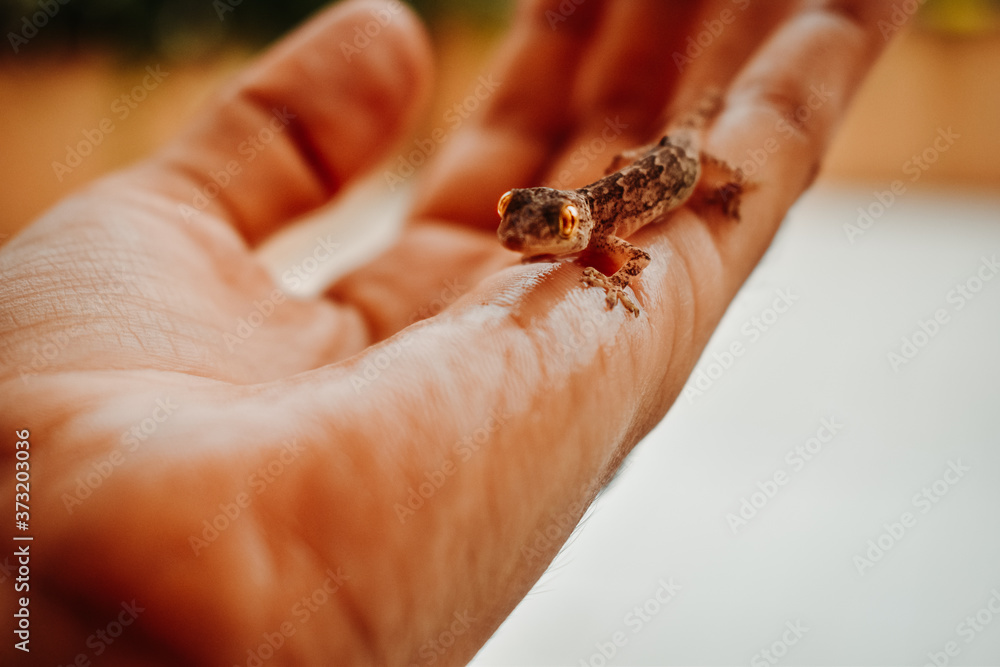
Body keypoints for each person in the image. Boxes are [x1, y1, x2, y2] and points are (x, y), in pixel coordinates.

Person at [1, 0, 902, 663]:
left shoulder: (612, 226)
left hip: (671, 160)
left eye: (537, 229)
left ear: (573, 227)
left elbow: (622, 255)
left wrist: (671, 213)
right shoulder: (572, 223)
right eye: (521, 222)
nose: (519, 240)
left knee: (700, 163)